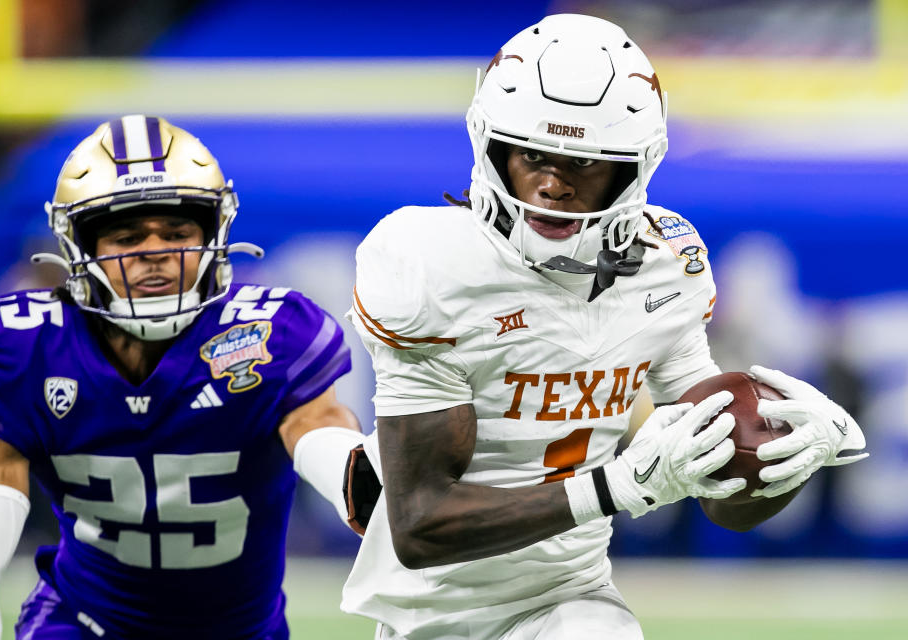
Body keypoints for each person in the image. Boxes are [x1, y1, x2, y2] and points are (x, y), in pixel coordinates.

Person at [340, 14, 868, 640]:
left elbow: (725, 502)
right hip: (427, 614)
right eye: (533, 155)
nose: (552, 186)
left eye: (584, 164)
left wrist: (783, 455)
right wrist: (617, 487)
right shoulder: (429, 263)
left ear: (634, 170)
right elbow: (421, 525)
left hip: (570, 598)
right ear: (491, 146)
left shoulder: (665, 265)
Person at [0, 115, 365, 639]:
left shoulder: (268, 332)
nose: (155, 255)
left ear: (214, 234)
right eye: (126, 237)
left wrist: (367, 486)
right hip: (83, 623)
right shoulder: (22, 344)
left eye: (176, 233)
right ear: (79, 247)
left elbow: (320, 428)